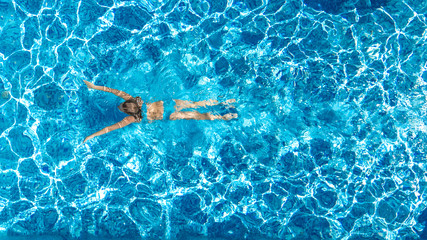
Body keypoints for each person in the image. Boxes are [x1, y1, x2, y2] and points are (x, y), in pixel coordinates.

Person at [82, 80, 237, 142]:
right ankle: (226, 102)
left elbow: (108, 129)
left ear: (128, 112)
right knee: (197, 103)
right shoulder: (133, 98)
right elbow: (114, 91)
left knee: (198, 116)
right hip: (170, 104)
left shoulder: (132, 119)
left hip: (169, 115)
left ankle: (225, 116)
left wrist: (90, 136)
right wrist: (94, 86)